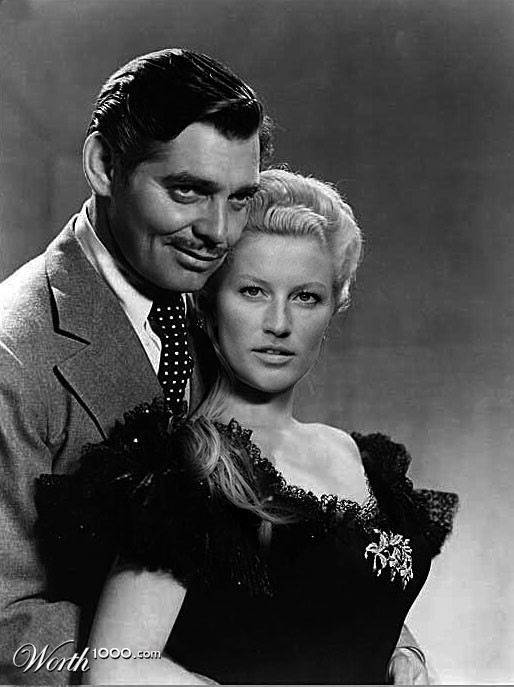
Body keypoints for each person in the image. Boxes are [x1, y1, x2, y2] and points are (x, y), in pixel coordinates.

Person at [37, 169, 458, 684]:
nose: (279, 323)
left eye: (306, 297)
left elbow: (341, 602)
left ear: (333, 308)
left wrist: (406, 654)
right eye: (253, 291)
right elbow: (116, 671)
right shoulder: (186, 471)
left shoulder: (359, 459)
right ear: (208, 304)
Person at [0, 47, 272, 684]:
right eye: (187, 191)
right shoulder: (13, 356)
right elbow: (4, 624)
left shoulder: (220, 308)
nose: (219, 233)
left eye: (239, 199)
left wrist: (381, 635)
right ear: (103, 165)